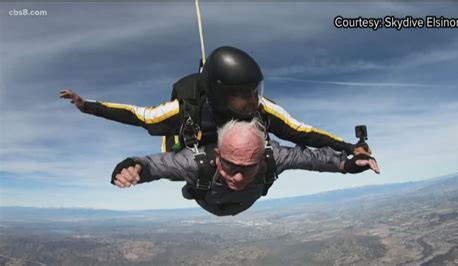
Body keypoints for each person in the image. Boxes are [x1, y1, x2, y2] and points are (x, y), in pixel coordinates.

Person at [59, 46, 372, 156]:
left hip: (229, 153)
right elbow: (138, 115)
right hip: (196, 145)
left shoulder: (260, 108)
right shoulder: (184, 109)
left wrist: (348, 146)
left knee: (263, 149)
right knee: (179, 147)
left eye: (255, 92)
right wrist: (88, 106)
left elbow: (302, 131)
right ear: (221, 95)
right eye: (244, 95)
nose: (253, 102)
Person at [111, 118, 380, 216]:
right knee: (187, 176)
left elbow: (315, 158)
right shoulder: (196, 161)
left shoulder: (272, 155)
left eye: (248, 167)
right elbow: (153, 165)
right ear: (217, 157)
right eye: (230, 166)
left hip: (232, 201)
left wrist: (349, 164)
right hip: (209, 201)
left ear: (261, 159)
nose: (238, 177)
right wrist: (131, 168)